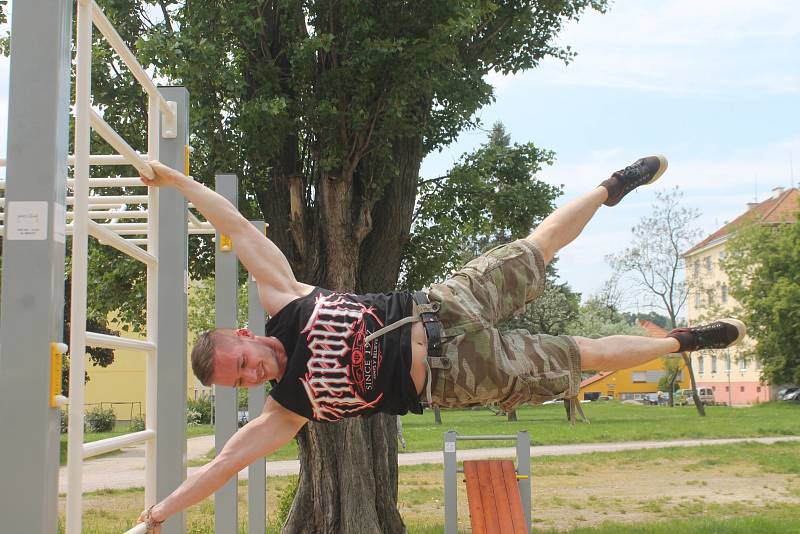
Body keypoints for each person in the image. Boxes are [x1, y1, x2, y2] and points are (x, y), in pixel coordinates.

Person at [136, 155, 745, 531]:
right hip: (459, 378)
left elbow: (237, 228)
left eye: (241, 362)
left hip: (443, 306)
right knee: (578, 354)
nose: (250, 374)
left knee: (537, 249)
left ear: (245, 337)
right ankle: (683, 341)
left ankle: (614, 185)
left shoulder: (285, 301)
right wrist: (159, 514)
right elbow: (221, 466)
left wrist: (176, 180)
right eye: (239, 381)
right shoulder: (287, 410)